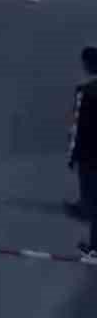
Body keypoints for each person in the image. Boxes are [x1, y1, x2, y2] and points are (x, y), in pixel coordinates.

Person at [68, 45, 97, 262]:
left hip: (89, 155)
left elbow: (77, 127)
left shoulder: (84, 91)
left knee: (94, 202)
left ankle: (94, 248)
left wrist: (72, 156)